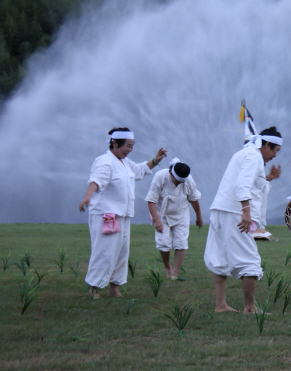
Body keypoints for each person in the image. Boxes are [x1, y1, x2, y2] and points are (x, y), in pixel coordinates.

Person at [79, 127, 167, 299]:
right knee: (104, 251)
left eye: (132, 146)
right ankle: (94, 288)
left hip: (123, 215)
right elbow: (96, 181)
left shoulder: (125, 163)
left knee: (121, 252)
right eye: (127, 146)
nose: (130, 150)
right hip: (107, 215)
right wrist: (88, 196)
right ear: (115, 143)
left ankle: (115, 288)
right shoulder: (104, 161)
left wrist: (155, 161)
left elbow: (140, 170)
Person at [204, 126, 282, 313]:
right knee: (249, 260)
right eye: (275, 151)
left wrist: (268, 177)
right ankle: (250, 308)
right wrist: (245, 212)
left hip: (221, 209)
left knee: (221, 258)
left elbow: (249, 183)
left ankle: (221, 305)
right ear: (268, 145)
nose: (275, 156)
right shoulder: (254, 157)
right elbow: (242, 185)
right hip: (234, 212)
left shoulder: (244, 153)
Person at [145, 158, 203, 280]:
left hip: (181, 213)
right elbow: (151, 200)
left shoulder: (188, 180)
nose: (180, 183)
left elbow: (193, 199)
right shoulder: (160, 176)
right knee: (164, 243)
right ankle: (168, 267)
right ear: (171, 172)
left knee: (181, 242)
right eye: (177, 180)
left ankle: (175, 273)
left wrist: (199, 217)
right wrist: (157, 220)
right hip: (162, 214)